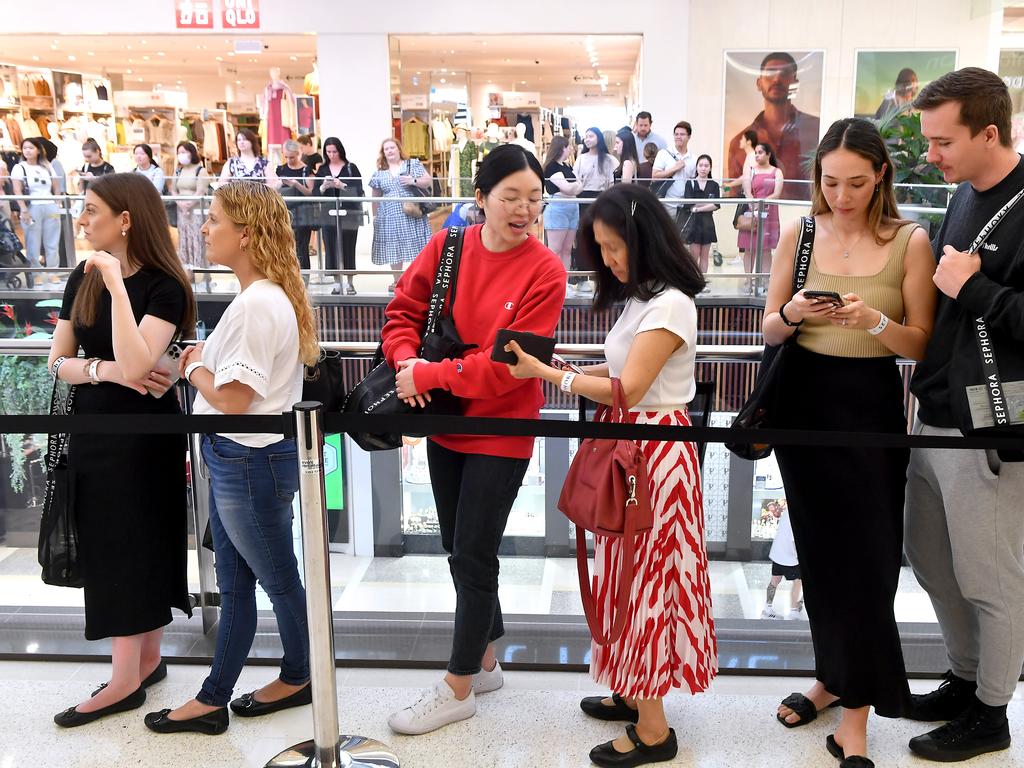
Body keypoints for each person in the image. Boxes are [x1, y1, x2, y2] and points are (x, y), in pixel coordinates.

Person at [505, 183, 715, 768]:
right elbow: (621, 366)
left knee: (646, 581)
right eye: (602, 249)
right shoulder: (644, 299)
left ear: (644, 239)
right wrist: (563, 368)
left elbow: (629, 388)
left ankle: (654, 730)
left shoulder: (671, 303)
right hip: (636, 451)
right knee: (625, 575)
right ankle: (631, 689)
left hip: (653, 456)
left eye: (616, 247)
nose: (611, 260)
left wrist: (553, 375)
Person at [764, 117, 936, 767]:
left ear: (881, 176)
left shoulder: (908, 240)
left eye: (856, 182)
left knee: (868, 563)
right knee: (821, 556)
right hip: (804, 403)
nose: (841, 195)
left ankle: (855, 718)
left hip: (869, 405)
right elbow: (772, 328)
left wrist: (876, 319)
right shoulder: (800, 233)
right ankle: (831, 678)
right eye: (830, 181)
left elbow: (921, 343)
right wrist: (794, 313)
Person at [382, 144, 566, 736]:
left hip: (504, 427)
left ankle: (457, 685)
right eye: (510, 197)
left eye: (533, 198)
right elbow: (402, 314)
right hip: (444, 421)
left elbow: (510, 366)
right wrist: (407, 362)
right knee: (455, 547)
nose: (523, 209)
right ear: (480, 198)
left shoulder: (545, 270)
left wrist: (428, 375)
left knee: (474, 551)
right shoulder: (448, 247)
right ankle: (485, 660)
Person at [145, 181, 319, 736]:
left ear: (245, 233)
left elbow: (235, 402)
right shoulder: (262, 298)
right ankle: (217, 694)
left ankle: (299, 674)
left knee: (275, 580)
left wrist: (191, 366)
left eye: (214, 219)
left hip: (247, 461)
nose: (204, 228)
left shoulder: (257, 304)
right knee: (242, 580)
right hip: (241, 459)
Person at [903, 66, 1024, 764]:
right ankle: (965, 678)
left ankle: (992, 712)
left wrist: (977, 290)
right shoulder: (963, 197)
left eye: (943, 141)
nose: (931, 155)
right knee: (932, 561)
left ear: (989, 131)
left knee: (991, 577)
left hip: (992, 426)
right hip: (936, 410)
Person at [47, 172, 195, 728]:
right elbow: (58, 362)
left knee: (141, 540)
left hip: (145, 439)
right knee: (112, 544)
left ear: (125, 219)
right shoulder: (77, 279)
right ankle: (141, 664)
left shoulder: (163, 285)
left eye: (91, 211)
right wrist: (102, 370)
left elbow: (142, 365)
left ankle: (127, 678)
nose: (83, 221)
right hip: (96, 433)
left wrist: (114, 285)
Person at [726, 52, 821, 199]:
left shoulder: (817, 130)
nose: (777, 79)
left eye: (784, 73)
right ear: (759, 83)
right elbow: (734, 197)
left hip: (801, 215)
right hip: (757, 216)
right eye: (770, 73)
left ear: (795, 82)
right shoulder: (738, 143)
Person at [369, 137, 431, 292]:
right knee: (393, 247)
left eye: (392, 147)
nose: (390, 151)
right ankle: (396, 280)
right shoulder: (379, 174)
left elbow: (428, 181)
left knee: (415, 246)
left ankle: (416, 279)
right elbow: (375, 197)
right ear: (383, 153)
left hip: (411, 213)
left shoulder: (412, 165)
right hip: (389, 215)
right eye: (386, 149)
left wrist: (413, 180)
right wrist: (375, 216)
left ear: (398, 149)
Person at [314, 136, 364, 295]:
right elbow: (315, 193)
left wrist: (341, 185)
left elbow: (359, 191)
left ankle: (349, 282)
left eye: (334, 151)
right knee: (330, 246)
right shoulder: (322, 169)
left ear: (340, 151)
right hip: (328, 213)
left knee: (348, 246)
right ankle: (336, 283)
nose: (331, 155)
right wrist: (323, 187)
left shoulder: (351, 168)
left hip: (348, 213)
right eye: (328, 151)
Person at [574, 128, 618, 295]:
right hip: (583, 199)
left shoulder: (608, 160)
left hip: (602, 199)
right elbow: (576, 180)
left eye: (591, 136)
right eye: (586, 136)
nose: (587, 139)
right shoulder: (581, 158)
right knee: (583, 237)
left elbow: (613, 182)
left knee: (602, 237)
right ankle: (582, 278)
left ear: (598, 138)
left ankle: (603, 277)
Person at [11, 137, 61, 282]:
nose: (27, 150)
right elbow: (17, 190)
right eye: (25, 148)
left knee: (52, 241)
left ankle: (53, 272)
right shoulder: (19, 167)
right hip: (31, 207)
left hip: (49, 205)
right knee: (32, 241)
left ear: (38, 150)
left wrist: (57, 202)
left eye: (31, 148)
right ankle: (36, 272)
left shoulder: (46, 166)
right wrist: (23, 209)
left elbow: (56, 185)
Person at [738, 142, 784, 288]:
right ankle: (749, 280)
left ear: (768, 154)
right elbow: (747, 191)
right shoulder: (751, 170)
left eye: (760, 152)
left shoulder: (777, 172)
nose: (757, 155)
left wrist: (762, 202)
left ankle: (764, 280)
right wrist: (753, 203)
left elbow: (776, 194)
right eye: (756, 153)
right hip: (751, 213)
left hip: (769, 214)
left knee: (766, 249)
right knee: (749, 248)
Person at [169, 141, 211, 287]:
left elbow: (201, 190)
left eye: (185, 152)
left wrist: (189, 204)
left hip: (197, 211)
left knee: (198, 239)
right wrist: (180, 203)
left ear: (192, 153)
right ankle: (189, 274)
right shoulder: (178, 170)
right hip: (182, 212)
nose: (182, 155)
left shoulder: (201, 170)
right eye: (179, 152)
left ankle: (204, 275)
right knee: (185, 240)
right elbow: (173, 189)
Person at [542, 135, 583, 281]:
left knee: (567, 249)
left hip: (572, 207)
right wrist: (573, 187)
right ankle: (552, 281)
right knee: (555, 249)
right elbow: (568, 188)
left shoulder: (567, 166)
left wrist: (573, 187)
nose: (571, 149)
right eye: (568, 147)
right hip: (558, 208)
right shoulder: (552, 166)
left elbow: (578, 187)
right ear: (562, 148)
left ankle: (564, 282)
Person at [274, 139, 315, 271]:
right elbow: (274, 190)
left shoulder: (306, 171)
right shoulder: (280, 169)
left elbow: (311, 193)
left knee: (301, 248)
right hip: (284, 213)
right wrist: (278, 186)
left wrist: (296, 184)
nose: (289, 160)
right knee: (284, 246)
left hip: (302, 214)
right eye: (286, 157)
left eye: (292, 157)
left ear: (298, 154)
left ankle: (303, 278)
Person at [761, 501, 804, 620]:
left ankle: (767, 609)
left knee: (774, 580)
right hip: (788, 557)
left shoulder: (787, 512)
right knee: (797, 581)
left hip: (777, 553)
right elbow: (794, 541)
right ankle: (794, 611)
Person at [682, 154, 721, 274]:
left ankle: (703, 282)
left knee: (705, 256)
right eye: (701, 165)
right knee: (694, 256)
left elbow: (716, 205)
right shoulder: (690, 183)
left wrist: (699, 208)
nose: (703, 168)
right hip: (694, 224)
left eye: (706, 166)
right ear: (697, 167)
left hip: (708, 224)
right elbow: (689, 204)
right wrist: (706, 204)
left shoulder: (714, 185)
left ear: (710, 168)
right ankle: (694, 282)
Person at [652, 121, 697, 224]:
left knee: (681, 239)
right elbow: (654, 176)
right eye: (676, 134)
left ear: (689, 137)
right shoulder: (664, 154)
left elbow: (694, 182)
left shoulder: (694, 159)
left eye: (682, 134)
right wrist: (674, 168)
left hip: (684, 207)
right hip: (665, 205)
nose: (678, 137)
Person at [722, 129, 759, 196]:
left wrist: (730, 184)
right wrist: (730, 185)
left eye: (742, 139)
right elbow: (745, 176)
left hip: (751, 195)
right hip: (747, 194)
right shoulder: (750, 156)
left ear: (749, 142)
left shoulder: (753, 156)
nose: (740, 141)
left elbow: (748, 176)